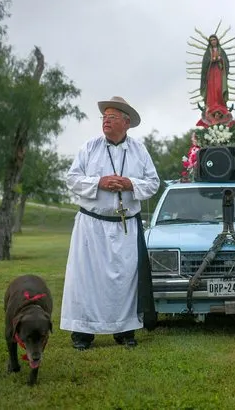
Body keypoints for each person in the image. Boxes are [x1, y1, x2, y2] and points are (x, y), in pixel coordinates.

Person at [60, 96, 160, 350]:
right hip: (91, 225)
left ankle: (124, 330)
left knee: (124, 279)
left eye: (112, 117)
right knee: (86, 279)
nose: (106, 120)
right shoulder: (89, 147)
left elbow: (153, 183)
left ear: (126, 123)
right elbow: (72, 179)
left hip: (124, 225)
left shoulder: (139, 151)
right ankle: (82, 333)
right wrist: (98, 183)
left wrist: (131, 184)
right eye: (104, 117)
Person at [200, 34, 230, 119]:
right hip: (211, 73)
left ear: (217, 40)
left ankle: (220, 105)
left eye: (214, 40)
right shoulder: (207, 52)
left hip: (219, 72)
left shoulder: (221, 51)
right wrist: (211, 60)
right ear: (210, 42)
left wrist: (220, 59)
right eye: (211, 40)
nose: (213, 41)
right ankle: (211, 106)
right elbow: (204, 64)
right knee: (211, 89)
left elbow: (226, 62)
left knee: (218, 88)